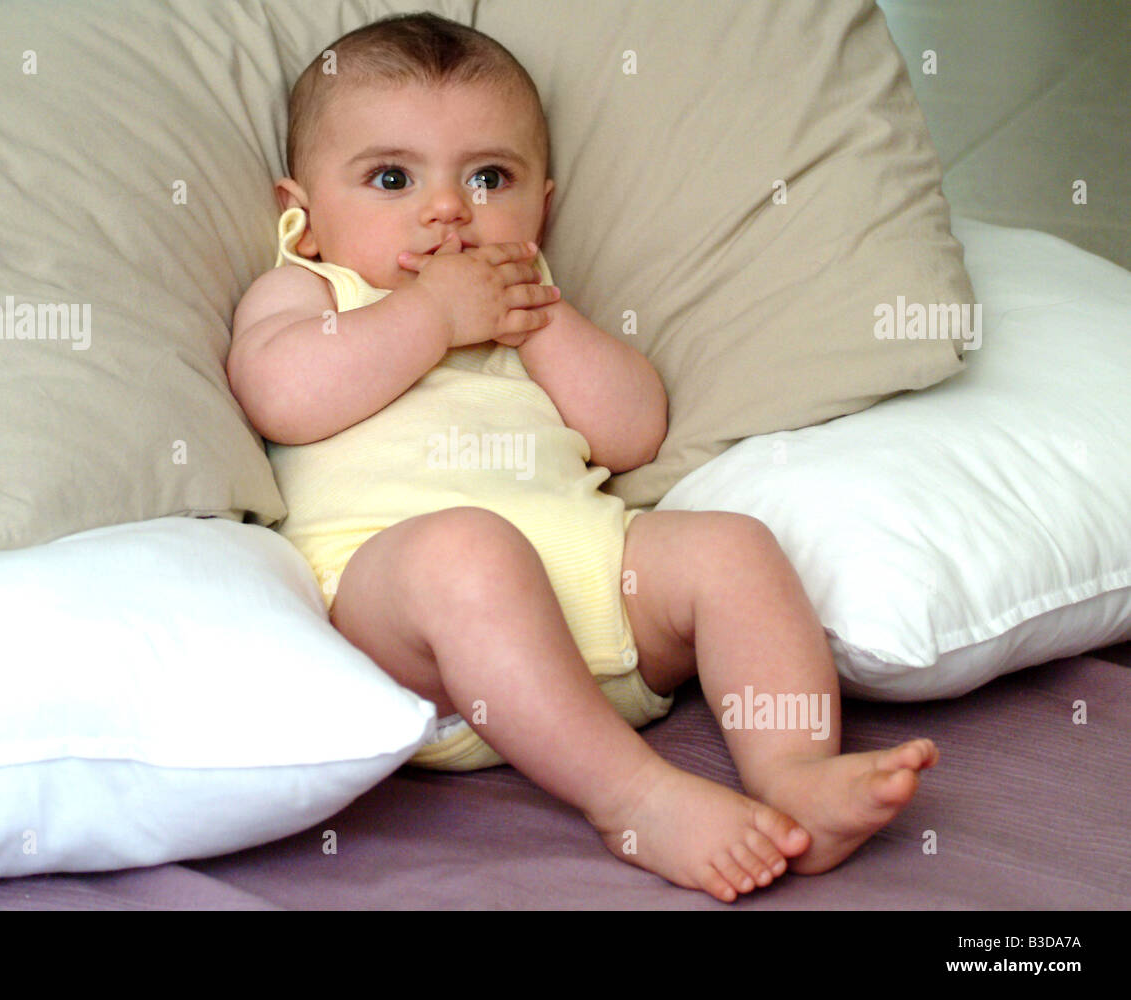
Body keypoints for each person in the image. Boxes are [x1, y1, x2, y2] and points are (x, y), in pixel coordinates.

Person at [227, 12, 937, 903]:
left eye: (489, 178)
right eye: (391, 177)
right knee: (467, 550)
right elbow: (280, 395)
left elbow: (632, 431)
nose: (447, 211)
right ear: (304, 218)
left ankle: (792, 768)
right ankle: (634, 794)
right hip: (409, 632)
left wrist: (544, 316)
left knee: (731, 546)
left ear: (542, 209)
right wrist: (433, 316)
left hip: (599, 604)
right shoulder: (311, 290)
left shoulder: (532, 309)